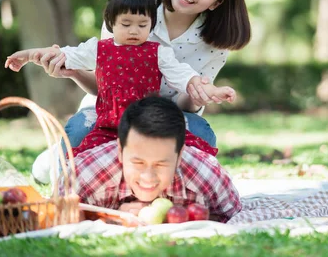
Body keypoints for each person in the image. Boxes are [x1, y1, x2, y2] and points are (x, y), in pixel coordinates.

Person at [33, 0, 251, 183]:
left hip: (167, 117)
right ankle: (53, 160)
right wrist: (74, 72)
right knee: (77, 135)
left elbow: (186, 106)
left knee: (202, 135)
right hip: (110, 110)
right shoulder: (132, 8)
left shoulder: (215, 44)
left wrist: (197, 95)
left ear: (216, 3)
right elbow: (104, 85)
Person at [5, 0, 235, 156]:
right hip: (108, 125)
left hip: (148, 125)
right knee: (82, 161)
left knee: (187, 149)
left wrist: (212, 91)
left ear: (151, 24)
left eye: (143, 25)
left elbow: (184, 76)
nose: (134, 31)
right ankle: (57, 168)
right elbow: (64, 54)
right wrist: (26, 56)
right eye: (126, 24)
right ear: (111, 21)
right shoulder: (98, 49)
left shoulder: (158, 52)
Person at [60, 95, 242, 223]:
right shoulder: (85, 174)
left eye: (161, 164)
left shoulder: (207, 174)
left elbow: (233, 215)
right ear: (121, 153)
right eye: (138, 163)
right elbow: (58, 216)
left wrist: (183, 217)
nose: (148, 177)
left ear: (179, 157)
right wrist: (109, 217)